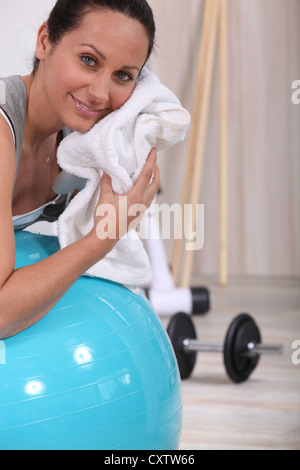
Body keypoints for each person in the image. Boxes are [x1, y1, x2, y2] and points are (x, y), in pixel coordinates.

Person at [0, 0, 160, 339]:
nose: (100, 94)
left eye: (123, 76)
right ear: (45, 41)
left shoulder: (85, 143)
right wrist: (101, 239)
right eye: (89, 60)